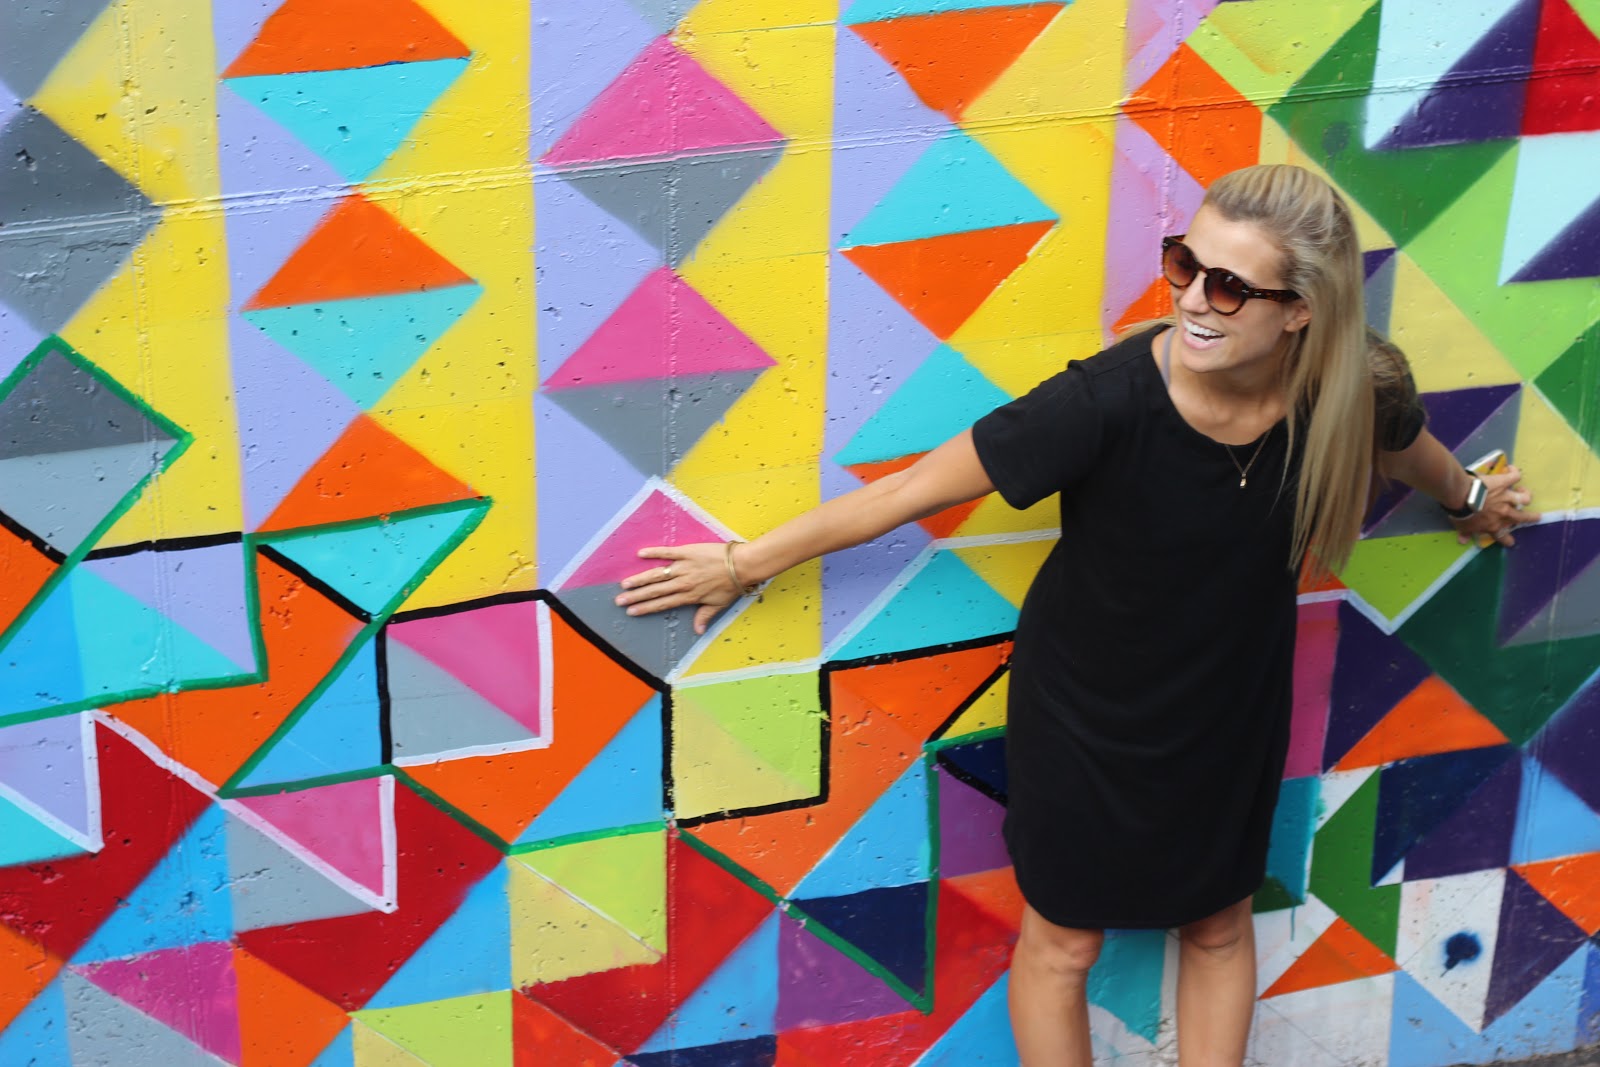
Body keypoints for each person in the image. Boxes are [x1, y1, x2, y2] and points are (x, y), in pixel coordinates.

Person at [613, 165, 1536, 1066]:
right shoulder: (1104, 400)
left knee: (1217, 924)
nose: (1193, 300)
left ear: (1301, 309)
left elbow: (1409, 450)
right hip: (1087, 716)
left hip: (1229, 712)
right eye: (1185, 265)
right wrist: (742, 563)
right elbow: (909, 490)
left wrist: (1469, 499)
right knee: (1064, 941)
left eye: (1228, 286)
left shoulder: (1350, 389)